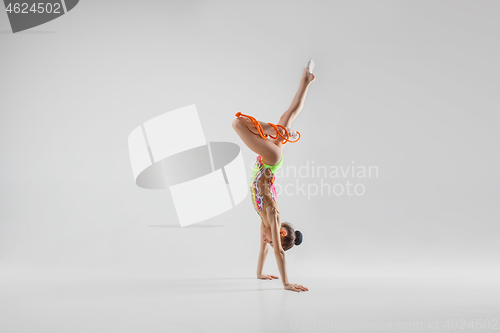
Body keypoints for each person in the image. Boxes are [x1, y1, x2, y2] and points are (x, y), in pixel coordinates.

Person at [232, 60, 316, 292]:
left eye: (267, 240)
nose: (265, 240)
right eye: (270, 239)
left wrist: (259, 273)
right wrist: (286, 282)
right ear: (280, 233)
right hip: (270, 160)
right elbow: (277, 250)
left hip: (268, 162)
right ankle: (276, 131)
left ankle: (306, 81)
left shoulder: (264, 222)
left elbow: (265, 250)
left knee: (288, 114)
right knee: (238, 123)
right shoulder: (273, 215)